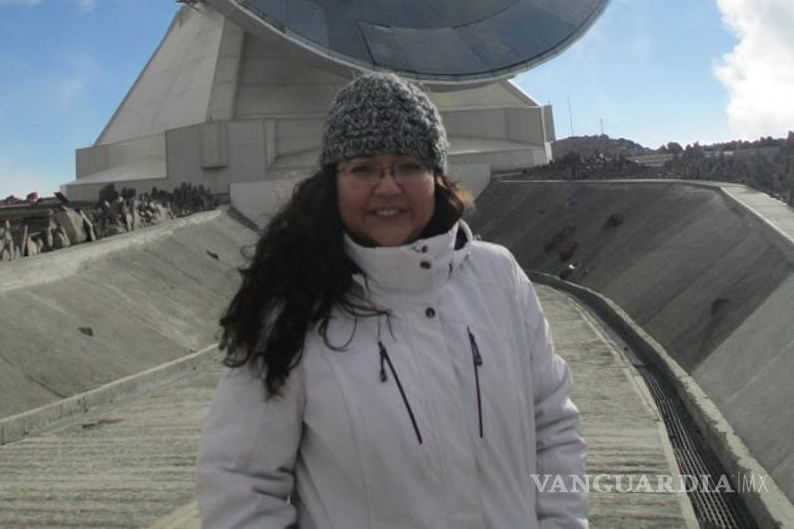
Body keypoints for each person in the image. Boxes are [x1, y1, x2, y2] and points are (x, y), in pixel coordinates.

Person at [198, 72, 587, 528]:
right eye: (363, 167)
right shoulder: (293, 313)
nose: (388, 187)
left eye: (408, 165)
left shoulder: (499, 278)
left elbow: (554, 428)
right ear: (333, 182)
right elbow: (240, 485)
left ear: (437, 178)